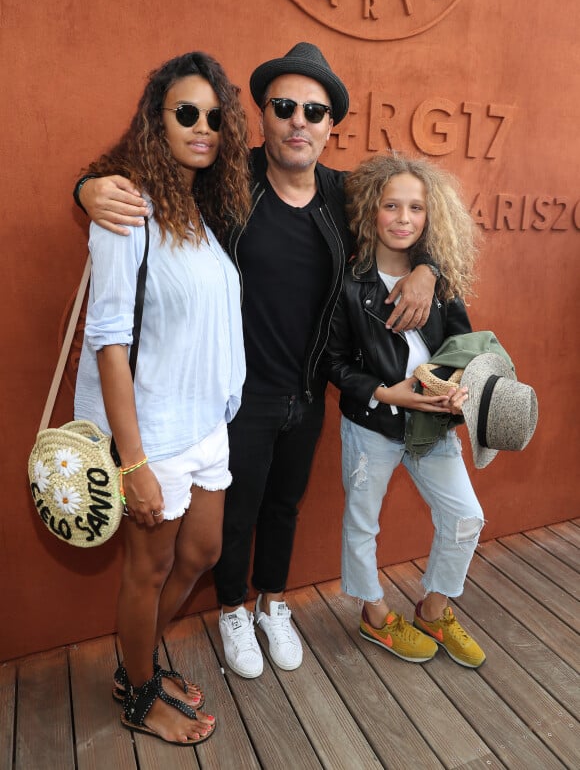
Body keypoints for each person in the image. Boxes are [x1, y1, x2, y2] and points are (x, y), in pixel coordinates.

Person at [73, 43, 439, 679]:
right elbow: (143, 169)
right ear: (265, 117)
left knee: (282, 507)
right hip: (235, 398)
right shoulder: (227, 180)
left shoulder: (346, 197)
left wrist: (428, 269)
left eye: (315, 110)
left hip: (306, 390)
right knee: (229, 522)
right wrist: (87, 187)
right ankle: (233, 610)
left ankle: (274, 604)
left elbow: (406, 222)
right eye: (285, 106)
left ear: (330, 126)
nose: (300, 120)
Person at [74, 51, 250, 744]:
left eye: (214, 117)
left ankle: (135, 660)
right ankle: (139, 691)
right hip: (153, 433)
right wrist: (132, 462)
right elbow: (109, 342)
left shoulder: (200, 213)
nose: (202, 127)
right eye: (186, 113)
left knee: (201, 553)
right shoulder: (124, 208)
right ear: (157, 119)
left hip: (206, 425)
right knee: (146, 570)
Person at [324, 153, 487, 668]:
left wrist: (458, 387)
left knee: (465, 516)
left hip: (432, 423)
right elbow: (333, 361)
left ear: (428, 215)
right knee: (362, 522)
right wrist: (385, 392)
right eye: (391, 204)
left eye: (415, 207)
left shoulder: (437, 278)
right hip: (373, 423)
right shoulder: (349, 282)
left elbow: (462, 342)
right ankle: (374, 615)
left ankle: (433, 609)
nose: (403, 217)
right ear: (371, 209)